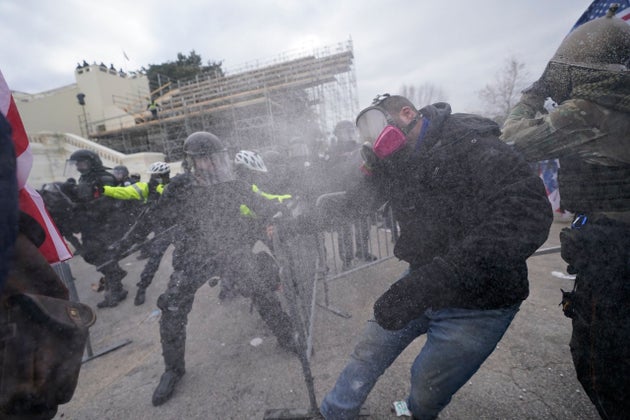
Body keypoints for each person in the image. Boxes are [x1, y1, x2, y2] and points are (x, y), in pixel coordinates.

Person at [319, 94, 553, 419]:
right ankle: (333, 413)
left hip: (479, 302)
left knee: (427, 387)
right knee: (369, 349)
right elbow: (356, 205)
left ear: (407, 113)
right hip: (423, 282)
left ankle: (412, 412)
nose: (375, 141)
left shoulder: (471, 142)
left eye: (377, 126)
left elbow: (525, 214)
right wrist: (296, 224)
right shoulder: (397, 162)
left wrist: (432, 281)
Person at [500, 10, 630, 420]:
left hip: (614, 251)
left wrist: (532, 95)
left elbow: (513, 141)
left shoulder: (589, 112)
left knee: (602, 360)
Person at [128, 132, 298, 406]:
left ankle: (287, 336)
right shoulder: (180, 186)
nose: (215, 163)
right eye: (208, 158)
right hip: (193, 257)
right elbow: (154, 217)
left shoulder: (233, 183)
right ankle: (173, 369)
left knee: (260, 289)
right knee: (172, 306)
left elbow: (260, 205)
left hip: (231, 250)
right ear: (195, 161)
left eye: (217, 157)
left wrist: (279, 213)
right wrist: (129, 240)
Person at [100, 161, 171, 305]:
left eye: (159, 176)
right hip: (149, 220)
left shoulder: (172, 187)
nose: (156, 178)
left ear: (166, 176)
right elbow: (125, 192)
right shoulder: (145, 186)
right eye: (154, 175)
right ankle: (139, 286)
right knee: (130, 241)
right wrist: (104, 189)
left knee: (157, 257)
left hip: (168, 226)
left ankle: (141, 287)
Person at [65, 149, 130, 308]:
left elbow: (108, 202)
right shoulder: (84, 178)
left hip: (107, 225)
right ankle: (116, 274)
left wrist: (83, 207)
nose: (79, 167)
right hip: (91, 225)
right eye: (77, 164)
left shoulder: (104, 177)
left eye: (81, 163)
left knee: (104, 258)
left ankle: (116, 290)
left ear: (91, 162)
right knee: (89, 255)